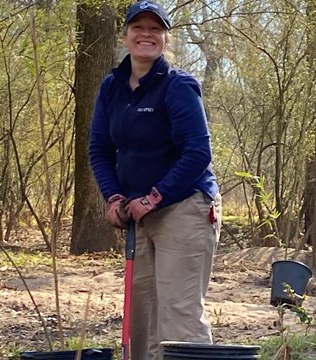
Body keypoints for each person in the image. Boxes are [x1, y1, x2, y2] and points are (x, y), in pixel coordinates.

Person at [88, 1, 221, 359]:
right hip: (137, 213)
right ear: (126, 34)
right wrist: (113, 197)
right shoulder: (112, 87)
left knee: (178, 313)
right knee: (140, 318)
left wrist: (155, 197)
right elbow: (99, 149)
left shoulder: (178, 86)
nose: (146, 34)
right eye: (138, 27)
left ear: (165, 38)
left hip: (184, 207)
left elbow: (198, 152)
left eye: (155, 29)